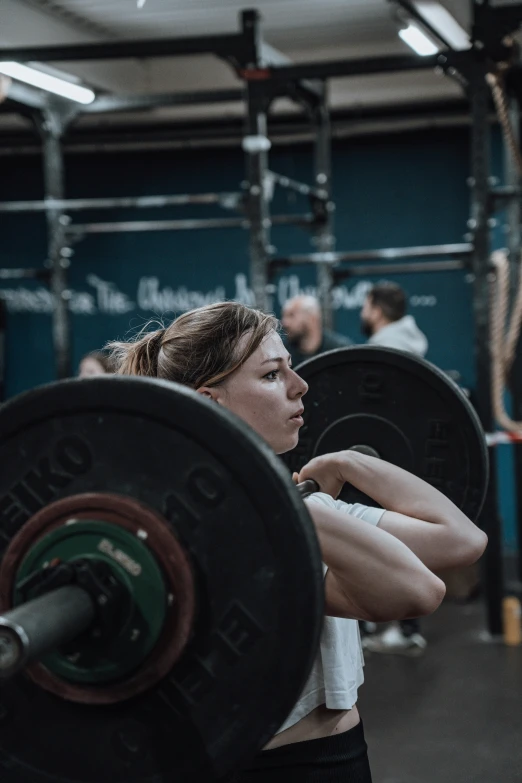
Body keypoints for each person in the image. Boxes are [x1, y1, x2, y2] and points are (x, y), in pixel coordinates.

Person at [108, 302, 486, 783]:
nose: (301, 385)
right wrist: (284, 503)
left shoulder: (302, 507)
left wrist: (352, 463)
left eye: (291, 367)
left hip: (338, 753)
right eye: (271, 375)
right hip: (271, 766)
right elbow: (418, 591)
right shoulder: (234, 525)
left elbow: (462, 540)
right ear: (210, 401)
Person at [360, 281, 430, 656]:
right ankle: (405, 626)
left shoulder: (384, 348)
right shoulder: (413, 343)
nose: (362, 313)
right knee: (402, 541)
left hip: (387, 459)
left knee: (384, 542)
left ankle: (402, 627)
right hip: (407, 459)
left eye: (365, 305)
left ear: (376, 308)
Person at [281, 295, 352, 367]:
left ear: (312, 318)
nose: (285, 323)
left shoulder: (341, 351)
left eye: (291, 315)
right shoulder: (282, 354)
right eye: (284, 316)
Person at [360, 281, 428, 356]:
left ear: (376, 312)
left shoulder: (382, 352)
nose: (362, 314)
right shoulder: (404, 346)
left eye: (365, 308)